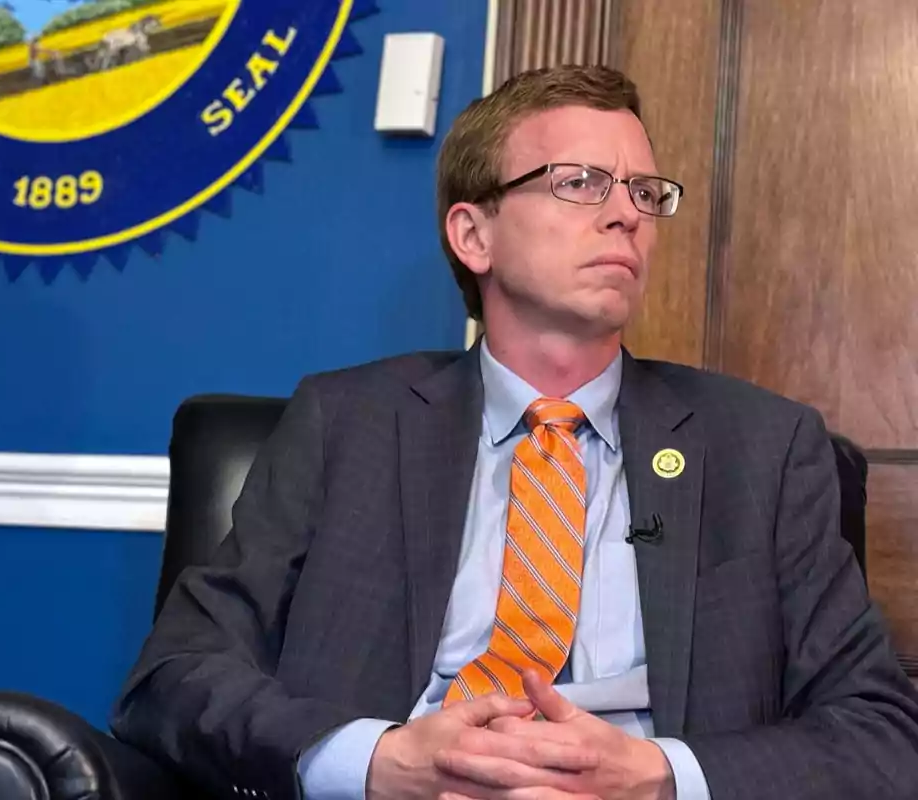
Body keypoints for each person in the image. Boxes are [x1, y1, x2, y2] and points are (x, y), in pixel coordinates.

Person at [111, 65, 918, 800]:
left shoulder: (764, 449)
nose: (624, 217)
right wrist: (381, 762)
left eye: (645, 193)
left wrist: (659, 775)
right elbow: (174, 677)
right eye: (581, 182)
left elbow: (883, 733)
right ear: (474, 235)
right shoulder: (345, 424)